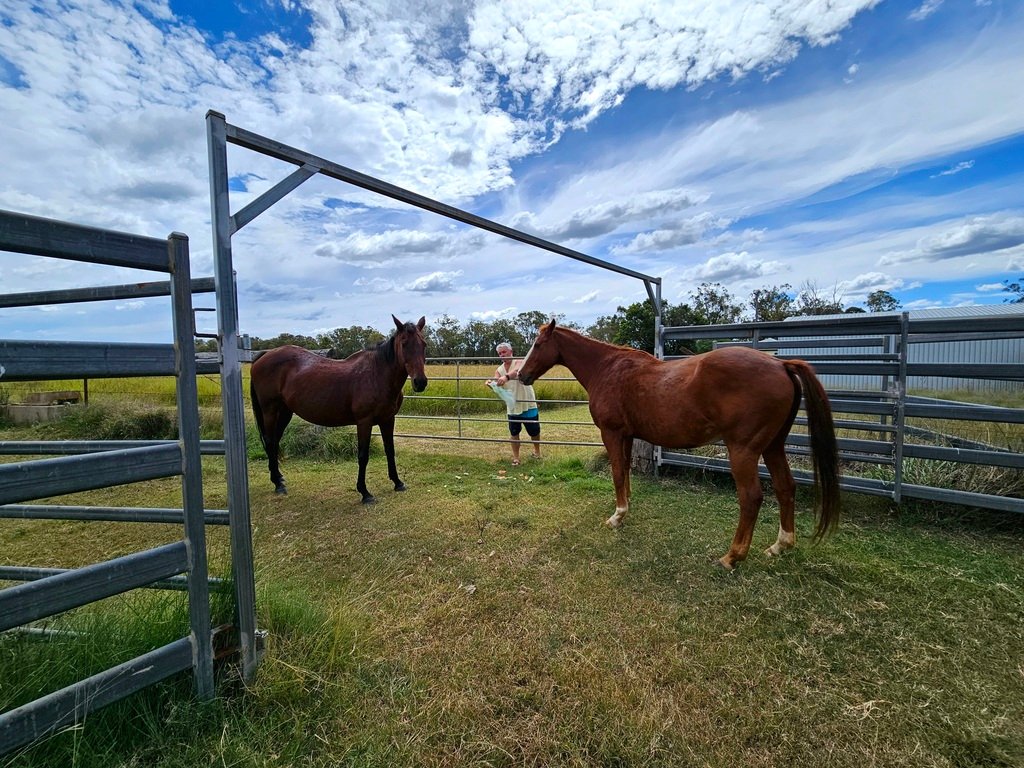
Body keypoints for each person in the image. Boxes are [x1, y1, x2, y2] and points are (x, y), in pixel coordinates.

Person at [490, 341, 541, 465]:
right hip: (512, 405)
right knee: (514, 432)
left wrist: (506, 377)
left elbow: (517, 371)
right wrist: (492, 385)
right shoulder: (499, 370)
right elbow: (498, 384)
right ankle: (516, 458)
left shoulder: (518, 362)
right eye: (499, 353)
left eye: (504, 352)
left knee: (534, 431)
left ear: (510, 352)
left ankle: (537, 451)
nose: (502, 355)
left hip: (527, 402)